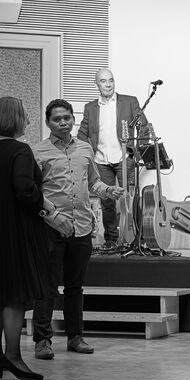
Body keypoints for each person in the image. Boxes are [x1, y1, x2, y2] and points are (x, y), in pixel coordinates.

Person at [31, 99, 124, 359]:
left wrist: (108, 190)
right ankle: (42, 340)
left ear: (73, 119)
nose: (63, 123)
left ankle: (75, 337)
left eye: (67, 118)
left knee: (75, 287)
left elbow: (94, 182)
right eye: (57, 119)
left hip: (81, 226)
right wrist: (51, 215)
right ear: (48, 122)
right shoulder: (38, 152)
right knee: (47, 287)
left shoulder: (85, 148)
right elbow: (33, 191)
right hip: (51, 227)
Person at [0, 96, 53, 380]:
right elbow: (23, 189)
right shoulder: (20, 150)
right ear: (14, 119)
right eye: (24, 115)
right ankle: (13, 356)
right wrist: (45, 204)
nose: (28, 120)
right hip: (15, 231)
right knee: (15, 296)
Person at [76, 68, 146, 249]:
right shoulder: (90, 108)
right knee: (107, 201)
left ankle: (137, 238)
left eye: (111, 80)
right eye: (103, 81)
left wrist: (135, 152)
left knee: (131, 199)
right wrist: (84, 155)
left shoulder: (129, 102)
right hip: (101, 160)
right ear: (96, 84)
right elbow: (83, 134)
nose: (108, 84)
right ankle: (112, 239)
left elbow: (144, 127)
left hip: (125, 158)